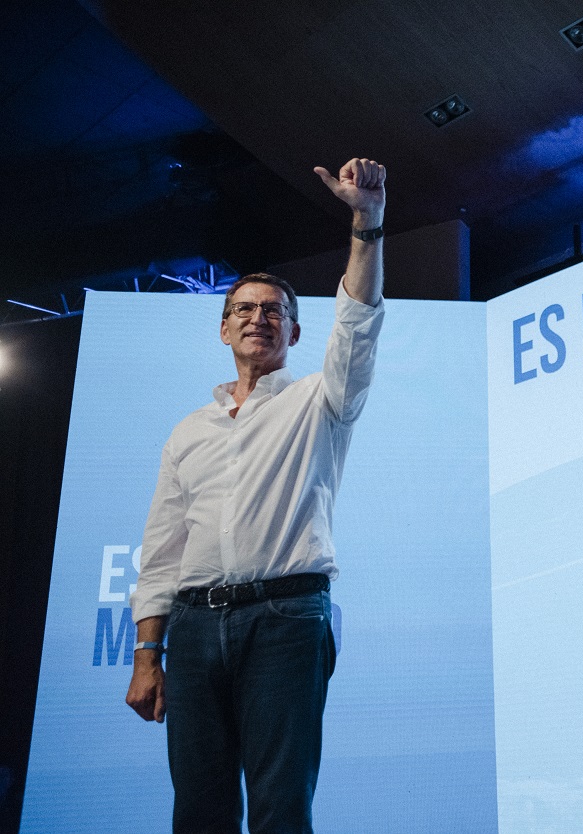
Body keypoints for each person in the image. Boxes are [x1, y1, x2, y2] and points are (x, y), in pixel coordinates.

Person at [125, 158, 387, 833]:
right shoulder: (189, 430)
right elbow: (161, 552)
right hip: (191, 627)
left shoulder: (320, 402)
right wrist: (146, 657)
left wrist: (366, 221)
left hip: (286, 620)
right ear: (222, 328)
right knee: (199, 814)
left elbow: (356, 325)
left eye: (274, 312)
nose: (258, 318)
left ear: (295, 333)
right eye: (244, 309)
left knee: (278, 809)